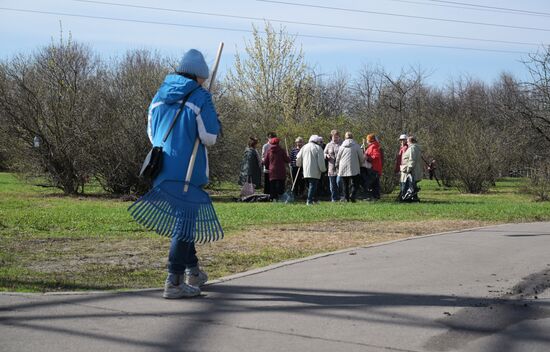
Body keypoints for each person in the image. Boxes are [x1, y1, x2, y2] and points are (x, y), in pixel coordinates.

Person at [147, 49, 220, 299]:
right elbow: (210, 137)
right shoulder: (200, 97)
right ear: (200, 76)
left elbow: (151, 132)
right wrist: (210, 112)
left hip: (162, 169)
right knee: (183, 224)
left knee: (184, 222)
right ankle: (174, 281)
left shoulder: (159, 94)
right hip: (187, 171)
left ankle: (194, 272)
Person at [296, 135, 327, 205]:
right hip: (314, 171)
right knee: (313, 186)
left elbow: (298, 157)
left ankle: (313, 200)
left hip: (306, 171)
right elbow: (321, 161)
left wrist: (299, 164)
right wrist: (323, 169)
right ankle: (309, 201)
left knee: (309, 186)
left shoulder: (304, 147)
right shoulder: (318, 148)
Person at [336, 132, 365, 202]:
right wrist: (361, 163)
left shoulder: (341, 147)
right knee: (356, 183)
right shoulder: (357, 146)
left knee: (345, 184)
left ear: (345, 138)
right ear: (352, 137)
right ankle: (353, 195)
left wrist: (336, 165)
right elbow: (361, 157)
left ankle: (346, 198)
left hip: (343, 167)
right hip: (354, 167)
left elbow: (338, 157)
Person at [400, 135, 423, 201]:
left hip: (411, 171)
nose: (406, 143)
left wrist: (408, 169)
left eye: (407, 141)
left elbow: (412, 160)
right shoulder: (416, 148)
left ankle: (408, 198)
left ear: (410, 141)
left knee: (410, 185)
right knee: (412, 186)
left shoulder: (412, 148)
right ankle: (414, 198)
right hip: (415, 170)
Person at [324, 130, 342, 202]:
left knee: (339, 181)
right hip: (331, 166)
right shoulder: (328, 145)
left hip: (340, 167)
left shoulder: (342, 144)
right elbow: (324, 153)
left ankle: (341, 195)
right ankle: (334, 198)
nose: (335, 138)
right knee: (332, 184)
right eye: (334, 137)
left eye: (337, 137)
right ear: (331, 137)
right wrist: (326, 155)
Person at [364, 134, 383, 200]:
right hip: (374, 168)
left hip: (374, 168)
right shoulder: (373, 146)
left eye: (367, 140)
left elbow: (376, 156)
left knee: (373, 183)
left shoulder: (374, 146)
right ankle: (375, 197)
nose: (366, 141)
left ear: (370, 140)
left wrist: (368, 158)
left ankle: (375, 197)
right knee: (374, 183)